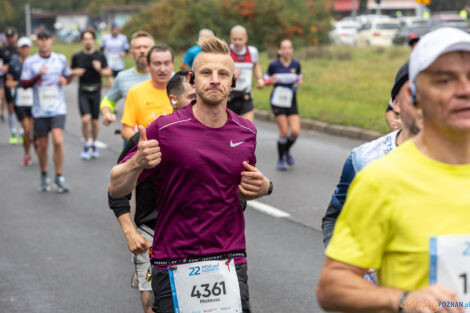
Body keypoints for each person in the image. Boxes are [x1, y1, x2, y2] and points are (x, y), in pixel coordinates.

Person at [108, 35, 272, 313]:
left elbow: (244, 187)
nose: (215, 80)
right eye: (206, 73)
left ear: (234, 82)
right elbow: (116, 187)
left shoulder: (247, 132)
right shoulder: (163, 128)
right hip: (175, 259)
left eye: (223, 74)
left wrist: (266, 186)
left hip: (229, 258)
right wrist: (137, 162)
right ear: (192, 80)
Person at [317, 27, 470, 313]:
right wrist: (401, 300)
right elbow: (332, 286)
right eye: (445, 80)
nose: (465, 90)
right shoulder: (380, 179)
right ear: (413, 94)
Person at [108, 72, 195, 313]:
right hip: (153, 235)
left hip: (199, 237)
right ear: (174, 100)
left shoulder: (216, 138)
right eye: (192, 97)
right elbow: (116, 190)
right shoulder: (149, 137)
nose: (199, 102)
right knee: (154, 309)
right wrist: (130, 233)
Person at [322, 60, 420, 247]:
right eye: (415, 92)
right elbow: (334, 220)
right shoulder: (363, 159)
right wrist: (346, 267)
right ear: (396, 104)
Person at [21, 29, 72, 192]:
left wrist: (65, 80)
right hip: (40, 110)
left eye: (47, 39)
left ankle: (59, 176)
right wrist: (38, 76)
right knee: (43, 146)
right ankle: (44, 173)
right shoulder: (30, 62)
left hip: (58, 108)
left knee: (58, 141)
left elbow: (68, 75)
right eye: (41, 39)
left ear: (51, 41)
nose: (44, 42)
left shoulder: (60, 58)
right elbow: (24, 84)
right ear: (37, 42)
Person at [120, 44, 174, 141]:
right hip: (149, 151)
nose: (162, 69)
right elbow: (126, 129)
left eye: (166, 63)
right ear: (148, 65)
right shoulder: (135, 91)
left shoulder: (183, 91)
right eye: (157, 64)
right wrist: (142, 143)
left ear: (173, 64)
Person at [71, 29, 111, 160]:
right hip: (83, 91)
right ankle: (87, 144)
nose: (88, 41)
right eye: (85, 38)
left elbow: (108, 72)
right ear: (82, 41)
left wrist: (99, 69)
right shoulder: (77, 56)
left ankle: (94, 143)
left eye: (90, 38)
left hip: (96, 91)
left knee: (94, 122)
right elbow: (70, 71)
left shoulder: (100, 56)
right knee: (85, 119)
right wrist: (77, 72)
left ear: (94, 40)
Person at [100, 31, 154, 126]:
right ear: (131, 53)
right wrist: (106, 114)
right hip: (132, 136)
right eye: (138, 47)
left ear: (154, 51)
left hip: (163, 137)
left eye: (146, 47)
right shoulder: (122, 77)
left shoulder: (168, 76)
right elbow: (108, 101)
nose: (142, 51)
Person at [264, 39, 302, 170]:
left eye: (289, 48)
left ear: (292, 50)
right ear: (279, 50)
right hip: (277, 100)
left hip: (291, 99)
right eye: (284, 48)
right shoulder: (274, 65)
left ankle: (285, 151)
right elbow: (265, 80)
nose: (287, 50)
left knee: (295, 131)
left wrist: (297, 83)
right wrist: (269, 81)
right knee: (284, 131)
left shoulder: (296, 64)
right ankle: (281, 159)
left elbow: (299, 77)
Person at [5, 37, 34, 165]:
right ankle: (27, 153)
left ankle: (34, 144)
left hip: (34, 101)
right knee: (26, 129)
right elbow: (8, 82)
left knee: (33, 131)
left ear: (30, 48)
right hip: (20, 100)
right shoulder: (14, 64)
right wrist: (20, 84)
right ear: (18, 49)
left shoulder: (35, 62)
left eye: (27, 47)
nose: (25, 49)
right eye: (22, 47)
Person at [228, 25, 265, 121]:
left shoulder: (252, 51)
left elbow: (255, 66)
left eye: (240, 39)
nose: (237, 42)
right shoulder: (226, 51)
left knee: (248, 129)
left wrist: (260, 79)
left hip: (245, 94)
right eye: (234, 39)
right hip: (228, 95)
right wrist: (232, 75)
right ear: (230, 38)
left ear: (246, 39)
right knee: (229, 130)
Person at [385, 36, 420, 131]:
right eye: (413, 46)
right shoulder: (405, 72)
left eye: (419, 46)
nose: (415, 49)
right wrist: (394, 123)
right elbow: (390, 109)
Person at [0, 27, 19, 134]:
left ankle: (22, 129)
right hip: (7, 80)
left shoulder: (20, 48)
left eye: (12, 36)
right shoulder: (2, 50)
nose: (11, 39)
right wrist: (3, 68)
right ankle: (13, 130)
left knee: (20, 106)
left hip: (20, 81)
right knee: (10, 106)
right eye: (8, 37)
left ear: (16, 36)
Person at [100, 23, 129, 87]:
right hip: (109, 62)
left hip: (119, 63)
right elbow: (101, 49)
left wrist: (124, 53)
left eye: (117, 30)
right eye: (114, 30)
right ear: (111, 30)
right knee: (111, 83)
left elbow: (127, 49)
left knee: (120, 82)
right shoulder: (105, 38)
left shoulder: (123, 38)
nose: (115, 31)